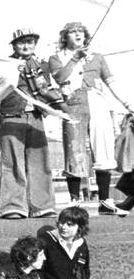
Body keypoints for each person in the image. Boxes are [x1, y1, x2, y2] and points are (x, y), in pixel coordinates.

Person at [49, 22, 133, 214]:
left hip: (97, 102)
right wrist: (74, 59)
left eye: (80, 31)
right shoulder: (56, 57)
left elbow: (112, 82)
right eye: (72, 32)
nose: (77, 35)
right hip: (73, 103)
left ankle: (105, 201)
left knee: (102, 148)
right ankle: (74, 200)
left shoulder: (97, 57)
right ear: (65, 36)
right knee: (74, 149)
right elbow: (60, 78)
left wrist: (129, 104)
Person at [0, 28, 63, 220]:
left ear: (35, 45)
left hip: (35, 116)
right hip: (11, 115)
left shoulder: (41, 65)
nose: (26, 46)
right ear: (14, 46)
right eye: (21, 42)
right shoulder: (6, 64)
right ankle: (12, 206)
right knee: (12, 162)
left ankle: (43, 206)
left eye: (30, 42)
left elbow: (46, 90)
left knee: (40, 162)